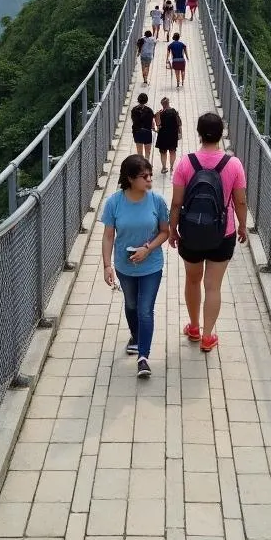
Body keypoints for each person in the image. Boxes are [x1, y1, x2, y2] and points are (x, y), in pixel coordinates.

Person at [169, 112, 248, 353]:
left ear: (199, 133)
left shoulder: (185, 162)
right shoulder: (233, 164)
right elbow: (241, 201)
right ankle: (207, 336)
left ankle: (193, 327)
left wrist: (173, 230)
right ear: (222, 133)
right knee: (213, 286)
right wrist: (242, 225)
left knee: (193, 280)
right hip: (222, 233)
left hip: (191, 233)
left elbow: (176, 203)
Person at [101, 155, 169, 378]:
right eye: (144, 176)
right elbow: (109, 236)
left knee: (145, 310)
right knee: (131, 305)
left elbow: (165, 232)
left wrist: (147, 249)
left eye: (150, 175)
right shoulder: (114, 203)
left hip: (152, 265)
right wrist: (107, 266)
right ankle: (135, 335)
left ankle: (143, 357)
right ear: (130, 178)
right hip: (125, 265)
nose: (150, 180)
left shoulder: (157, 201)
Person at [154, 96, 182, 174]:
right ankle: (172, 167)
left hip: (163, 135)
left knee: (163, 152)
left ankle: (164, 167)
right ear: (168, 103)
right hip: (173, 135)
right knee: (172, 151)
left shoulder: (159, 113)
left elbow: (158, 125)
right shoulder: (174, 112)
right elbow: (179, 124)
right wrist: (180, 134)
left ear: (162, 104)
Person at [131, 92, 155, 157]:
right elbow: (152, 122)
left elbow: (133, 120)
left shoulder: (134, 110)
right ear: (146, 100)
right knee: (147, 152)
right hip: (147, 132)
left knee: (139, 152)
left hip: (137, 131)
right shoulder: (149, 110)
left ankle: (141, 165)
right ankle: (147, 163)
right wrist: (153, 128)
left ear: (138, 100)